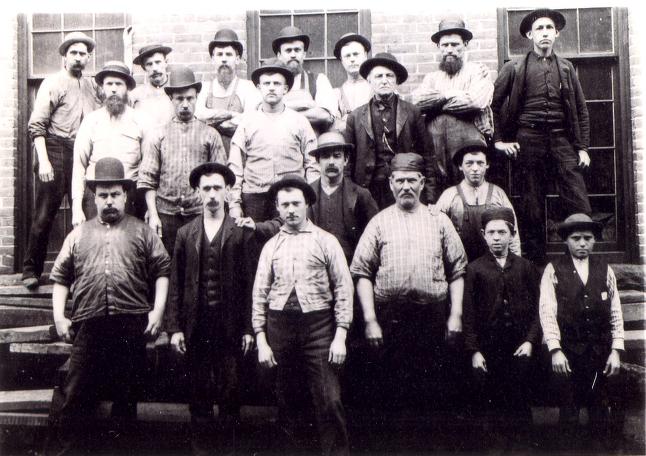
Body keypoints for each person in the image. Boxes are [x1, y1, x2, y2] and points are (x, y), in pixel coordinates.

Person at [46, 157, 170, 454]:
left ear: (126, 195)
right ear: (94, 197)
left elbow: (162, 271)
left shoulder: (142, 232)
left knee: (126, 397)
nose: (110, 201)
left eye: (115, 194)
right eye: (103, 195)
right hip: (88, 325)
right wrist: (60, 317)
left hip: (131, 324)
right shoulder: (78, 234)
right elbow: (61, 279)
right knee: (76, 395)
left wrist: (158, 310)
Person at [350, 153, 467, 445]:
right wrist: (370, 320)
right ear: (390, 184)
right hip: (390, 319)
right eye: (399, 180)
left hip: (433, 317)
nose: (405, 187)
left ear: (422, 183)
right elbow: (362, 273)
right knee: (390, 390)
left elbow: (458, 270)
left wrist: (455, 316)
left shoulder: (439, 221)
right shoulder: (379, 222)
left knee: (433, 390)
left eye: (411, 180)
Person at [253, 174, 353, 456]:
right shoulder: (271, 246)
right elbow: (259, 294)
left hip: (319, 328)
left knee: (329, 399)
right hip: (279, 328)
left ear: (308, 204)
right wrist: (261, 339)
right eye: (284, 205)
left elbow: (344, 289)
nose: (291, 210)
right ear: (277, 208)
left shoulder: (326, 242)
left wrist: (341, 335)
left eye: (296, 203)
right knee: (287, 400)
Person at [166, 162, 257, 455]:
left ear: (228, 191)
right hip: (197, 326)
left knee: (230, 392)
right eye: (206, 188)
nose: (212, 195)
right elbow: (176, 283)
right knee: (199, 393)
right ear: (197, 192)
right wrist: (176, 327)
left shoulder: (240, 232)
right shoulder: (185, 233)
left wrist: (248, 329)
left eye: (218, 187)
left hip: (229, 327)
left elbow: (249, 284)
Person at [492, 8, 591, 265]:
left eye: (549, 28)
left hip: (561, 140)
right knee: (532, 208)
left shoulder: (567, 68)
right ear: (529, 34)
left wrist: (582, 148)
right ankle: (536, 270)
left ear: (556, 34)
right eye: (539, 29)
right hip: (528, 140)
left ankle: (578, 266)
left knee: (578, 200)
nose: (545, 33)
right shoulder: (514, 68)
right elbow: (493, 105)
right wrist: (500, 141)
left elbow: (581, 109)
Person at [22, 31, 102, 289]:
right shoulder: (52, 83)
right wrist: (44, 161)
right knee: (45, 214)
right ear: (65, 57)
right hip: (55, 149)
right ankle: (30, 271)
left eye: (83, 54)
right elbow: (37, 126)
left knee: (87, 213)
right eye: (73, 53)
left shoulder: (91, 86)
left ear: (88, 57)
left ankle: (84, 272)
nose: (78, 58)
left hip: (83, 153)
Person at [539, 213, 625, 451]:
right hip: (568, 355)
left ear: (595, 240)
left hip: (600, 354)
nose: (582, 243)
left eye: (587, 238)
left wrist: (616, 350)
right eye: (576, 238)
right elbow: (547, 312)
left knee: (599, 409)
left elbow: (615, 311)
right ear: (566, 240)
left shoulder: (605, 269)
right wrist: (555, 350)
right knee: (570, 410)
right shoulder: (553, 270)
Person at [462, 207, 540, 451]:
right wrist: (474, 350)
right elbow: (469, 314)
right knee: (490, 405)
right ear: (484, 235)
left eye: (502, 232)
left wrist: (530, 341)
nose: (496, 237)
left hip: (519, 348)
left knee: (519, 403)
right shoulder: (475, 269)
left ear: (511, 234)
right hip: (489, 349)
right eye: (491, 232)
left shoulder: (526, 267)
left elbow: (541, 308)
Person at [138, 66, 226, 255]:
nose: (185, 104)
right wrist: (153, 214)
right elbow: (147, 179)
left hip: (200, 214)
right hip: (166, 216)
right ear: (171, 99)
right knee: (168, 268)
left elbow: (221, 181)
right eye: (179, 99)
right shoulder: (158, 135)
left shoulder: (210, 134)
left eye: (189, 98)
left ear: (196, 98)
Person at [228, 59, 318, 222]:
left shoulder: (300, 121)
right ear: (258, 88)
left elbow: (312, 164)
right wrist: (234, 204)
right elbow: (236, 166)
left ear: (285, 89)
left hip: (291, 197)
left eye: (276, 83)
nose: (271, 87)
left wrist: (311, 200)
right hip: (255, 199)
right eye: (266, 83)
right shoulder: (247, 122)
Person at [345, 52, 436, 208]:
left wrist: (430, 197)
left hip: (403, 186)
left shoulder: (412, 112)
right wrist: (350, 195)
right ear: (369, 80)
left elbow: (427, 156)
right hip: (368, 188)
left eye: (390, 76)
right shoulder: (356, 116)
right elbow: (348, 162)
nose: (384, 81)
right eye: (379, 76)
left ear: (396, 81)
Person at [411, 16, 494, 187]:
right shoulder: (431, 78)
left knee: (467, 189)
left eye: (455, 45)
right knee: (439, 190)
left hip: (468, 145)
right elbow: (418, 102)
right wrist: (451, 94)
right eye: (445, 45)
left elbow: (474, 101)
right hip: (435, 146)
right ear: (438, 47)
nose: (450, 49)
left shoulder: (478, 72)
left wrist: (436, 104)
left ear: (465, 44)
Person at [72, 61, 146, 225]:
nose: (113, 89)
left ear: (127, 88)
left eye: (119, 84)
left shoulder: (140, 120)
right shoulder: (91, 121)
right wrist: (77, 208)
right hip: (96, 197)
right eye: (109, 84)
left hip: (130, 198)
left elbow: (148, 167)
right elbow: (79, 166)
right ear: (103, 88)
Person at [435, 140, 521, 261]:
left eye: (480, 163)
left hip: (493, 267)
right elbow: (437, 235)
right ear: (460, 166)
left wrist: (515, 267)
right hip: (460, 266)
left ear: (487, 165)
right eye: (469, 163)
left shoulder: (498, 194)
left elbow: (513, 234)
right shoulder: (449, 195)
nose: (475, 168)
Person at [308, 131, 378, 262]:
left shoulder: (361, 195)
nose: (331, 162)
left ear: (345, 160)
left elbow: (375, 235)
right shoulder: (307, 194)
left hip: (352, 267)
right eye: (325, 157)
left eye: (337, 156)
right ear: (317, 161)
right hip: (316, 269)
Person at [196, 29, 262, 153]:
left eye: (229, 54)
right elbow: (199, 115)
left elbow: (250, 121)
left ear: (237, 59)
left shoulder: (247, 88)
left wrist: (212, 122)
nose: (224, 59)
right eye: (219, 55)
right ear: (212, 59)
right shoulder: (204, 88)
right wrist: (232, 115)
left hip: (240, 156)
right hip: (209, 158)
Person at [273, 26, 338, 133]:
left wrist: (279, 112)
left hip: (311, 146)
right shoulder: (271, 84)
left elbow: (324, 116)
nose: (293, 55)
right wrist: (307, 106)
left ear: (304, 54)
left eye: (297, 50)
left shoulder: (319, 80)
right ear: (279, 55)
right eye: (288, 51)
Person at [127, 38, 175, 131]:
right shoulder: (135, 95)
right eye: (149, 64)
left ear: (166, 62)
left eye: (158, 62)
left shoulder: (177, 90)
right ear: (144, 68)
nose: (155, 68)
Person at [332, 33, 372, 132]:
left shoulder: (377, 89)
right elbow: (334, 128)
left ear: (365, 55)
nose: (352, 59)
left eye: (356, 54)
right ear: (342, 60)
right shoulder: (336, 95)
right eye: (347, 56)